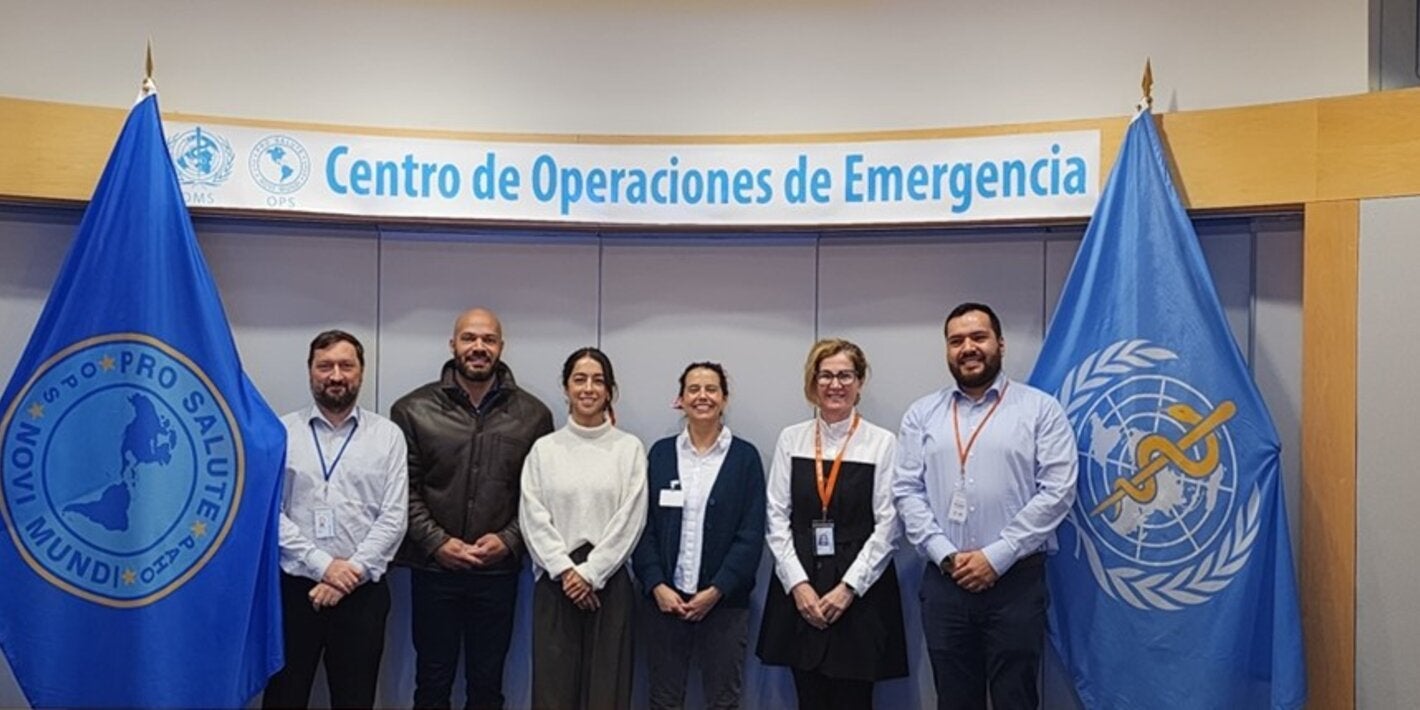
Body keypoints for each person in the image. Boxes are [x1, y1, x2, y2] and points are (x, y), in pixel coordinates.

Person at [892, 302, 1078, 710]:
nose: (968, 348)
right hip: (945, 583)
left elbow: (1058, 491)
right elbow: (906, 491)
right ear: (947, 350)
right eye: (956, 340)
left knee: (1016, 699)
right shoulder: (922, 415)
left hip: (1016, 582)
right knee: (954, 700)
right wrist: (946, 555)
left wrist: (997, 556)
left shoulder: (1040, 410)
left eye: (978, 337)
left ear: (1000, 344)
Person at [390, 308, 554, 710]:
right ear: (453, 345)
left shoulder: (534, 416)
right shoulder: (412, 410)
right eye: (469, 338)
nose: (478, 347)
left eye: (488, 339)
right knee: (432, 683)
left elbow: (540, 495)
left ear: (500, 346)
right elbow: (403, 491)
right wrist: (438, 543)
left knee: (487, 686)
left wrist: (509, 539)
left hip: (497, 573)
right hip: (433, 571)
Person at [756, 339, 908, 709]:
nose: (835, 385)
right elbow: (776, 518)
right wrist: (799, 586)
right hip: (801, 590)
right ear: (813, 382)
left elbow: (889, 525)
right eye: (826, 375)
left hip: (861, 593)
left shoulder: (883, 443)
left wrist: (848, 588)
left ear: (859, 383)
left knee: (856, 701)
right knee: (808, 699)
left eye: (845, 375)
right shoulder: (791, 439)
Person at [264, 330, 409, 709]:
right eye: (324, 366)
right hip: (295, 590)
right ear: (310, 371)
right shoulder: (281, 433)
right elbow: (270, 515)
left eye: (346, 365)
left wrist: (349, 574)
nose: (336, 375)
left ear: (361, 372)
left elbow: (393, 518)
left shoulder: (388, 436)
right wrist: (324, 566)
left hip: (362, 594)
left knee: (355, 699)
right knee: (284, 697)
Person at [631, 362, 766, 710]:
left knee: (723, 701)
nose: (702, 396)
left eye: (711, 389)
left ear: (724, 399)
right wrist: (657, 585)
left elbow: (750, 535)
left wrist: (716, 590)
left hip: (724, 606)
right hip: (664, 605)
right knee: (663, 700)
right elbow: (642, 526)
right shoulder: (660, 454)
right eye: (694, 389)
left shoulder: (745, 457)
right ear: (680, 399)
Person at [520, 347, 648, 710]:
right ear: (565, 388)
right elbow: (533, 515)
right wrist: (566, 572)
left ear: (610, 390)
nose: (588, 388)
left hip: (609, 581)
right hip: (556, 580)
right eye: (579, 379)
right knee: (553, 692)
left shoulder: (629, 449)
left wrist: (591, 573)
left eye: (598, 380)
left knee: (607, 692)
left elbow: (631, 517)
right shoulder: (545, 450)